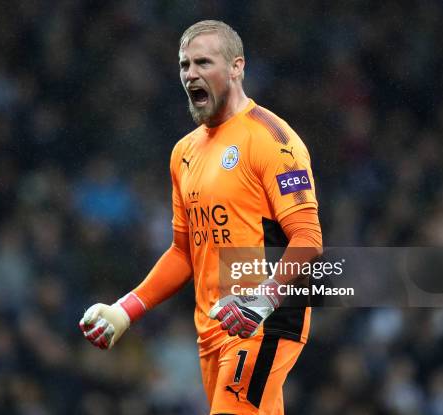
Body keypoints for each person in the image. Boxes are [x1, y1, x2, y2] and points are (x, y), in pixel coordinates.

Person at [79, 20, 322, 414]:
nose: (190, 74)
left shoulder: (273, 140)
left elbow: (308, 239)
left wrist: (263, 299)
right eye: (184, 65)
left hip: (263, 320)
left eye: (203, 62)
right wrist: (125, 309)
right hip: (212, 328)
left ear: (236, 68)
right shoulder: (184, 153)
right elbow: (182, 251)